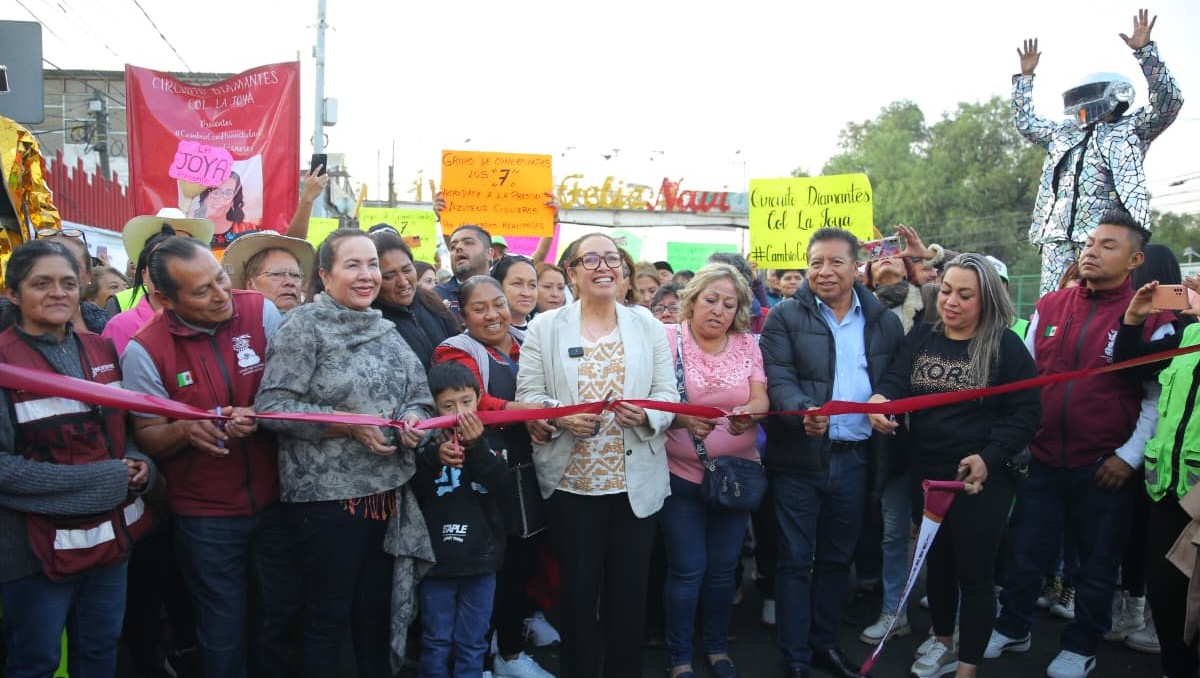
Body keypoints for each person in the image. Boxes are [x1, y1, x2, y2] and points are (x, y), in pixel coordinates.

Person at [986, 209, 1173, 678]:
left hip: (1105, 465)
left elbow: (1155, 398)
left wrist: (1128, 457)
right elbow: (1027, 381)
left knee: (1096, 565)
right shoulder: (1050, 306)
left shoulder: (1152, 318)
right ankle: (1013, 627)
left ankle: (1081, 645)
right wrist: (1024, 441)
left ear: (1135, 260)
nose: (1092, 251)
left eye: (1108, 245)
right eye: (1090, 242)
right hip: (1043, 458)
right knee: (1026, 553)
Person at [254, 229, 434, 677]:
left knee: (375, 613)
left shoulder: (384, 328)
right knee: (328, 616)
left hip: (387, 495)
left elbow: (420, 397)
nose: (367, 275)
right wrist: (348, 425)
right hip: (326, 504)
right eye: (352, 265)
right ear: (325, 275)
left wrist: (414, 421)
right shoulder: (304, 326)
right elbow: (273, 408)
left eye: (372, 264)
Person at [120, 236, 297, 678]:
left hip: (275, 501)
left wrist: (259, 412)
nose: (221, 296)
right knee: (221, 627)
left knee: (277, 616)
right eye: (202, 291)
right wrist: (183, 429)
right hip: (206, 516)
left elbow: (291, 393)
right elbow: (147, 434)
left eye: (220, 279)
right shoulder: (144, 350)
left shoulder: (260, 312)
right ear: (164, 298)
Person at [869, 253, 1042, 678]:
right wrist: (880, 400)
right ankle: (943, 641)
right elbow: (896, 378)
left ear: (987, 301)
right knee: (939, 563)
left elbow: (1025, 414)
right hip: (926, 475)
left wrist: (989, 457)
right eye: (946, 291)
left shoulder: (1005, 346)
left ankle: (969, 665)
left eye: (965, 295)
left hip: (978, 480)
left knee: (975, 574)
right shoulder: (922, 336)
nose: (951, 302)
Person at [515, 232, 678, 678]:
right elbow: (529, 396)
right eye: (591, 259)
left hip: (635, 485)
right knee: (577, 598)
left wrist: (646, 414)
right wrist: (562, 416)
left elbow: (668, 394)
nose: (603, 266)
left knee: (628, 598)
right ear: (571, 272)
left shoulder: (647, 325)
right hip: (572, 484)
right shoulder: (546, 327)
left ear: (624, 272)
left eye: (612, 258)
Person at [0, 240, 156, 678]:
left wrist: (140, 462)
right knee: (37, 661)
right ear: (13, 294)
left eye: (68, 283)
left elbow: (123, 430)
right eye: (41, 284)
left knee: (100, 652)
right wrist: (105, 479)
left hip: (108, 540)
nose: (58, 293)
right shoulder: (4, 360)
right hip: (32, 551)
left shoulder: (101, 349)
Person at [759, 228, 905, 678]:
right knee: (795, 560)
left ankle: (824, 644)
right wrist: (802, 410)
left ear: (856, 267)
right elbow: (778, 378)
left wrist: (883, 398)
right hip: (799, 458)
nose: (824, 271)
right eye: (816, 262)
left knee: (838, 560)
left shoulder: (883, 320)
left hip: (856, 457)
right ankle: (794, 656)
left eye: (835, 262)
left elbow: (896, 375)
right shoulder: (783, 316)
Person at [432, 276, 557, 678]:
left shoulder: (527, 343)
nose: (492, 314)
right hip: (484, 473)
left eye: (498, 303)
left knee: (522, 563)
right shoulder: (455, 351)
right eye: (479, 308)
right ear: (463, 315)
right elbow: (476, 401)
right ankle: (482, 659)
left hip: (530, 468)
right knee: (488, 570)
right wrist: (531, 411)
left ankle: (510, 651)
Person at [1014, 9, 1183, 295]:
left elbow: (1169, 102)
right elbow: (1026, 123)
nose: (1080, 103)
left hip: (1104, 236)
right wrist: (1025, 78)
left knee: (1100, 299)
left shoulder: (1130, 129)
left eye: (1086, 95)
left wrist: (1146, 53)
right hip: (1057, 236)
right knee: (1053, 301)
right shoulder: (1064, 132)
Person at [661, 263, 769, 678]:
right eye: (711, 300)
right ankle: (679, 657)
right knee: (688, 571)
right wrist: (681, 419)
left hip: (736, 478)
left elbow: (761, 398)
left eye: (729, 304)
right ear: (691, 300)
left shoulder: (747, 344)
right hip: (682, 477)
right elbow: (649, 401)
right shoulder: (667, 339)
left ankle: (717, 648)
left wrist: (749, 414)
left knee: (724, 571)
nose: (719, 310)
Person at [1113, 273, 1200, 678]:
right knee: (1166, 598)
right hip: (1168, 493)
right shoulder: (1189, 336)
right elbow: (1130, 369)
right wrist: (1133, 320)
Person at [414, 361, 509, 678]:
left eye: (466, 402)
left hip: (481, 560)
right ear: (434, 407)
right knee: (435, 639)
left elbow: (501, 484)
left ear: (479, 397)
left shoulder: (492, 439)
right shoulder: (425, 442)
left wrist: (477, 446)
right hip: (437, 561)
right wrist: (433, 457)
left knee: (473, 641)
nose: (459, 413)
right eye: (448, 406)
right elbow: (415, 488)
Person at [371, 231, 460, 373]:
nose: (402, 281)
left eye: (407, 270)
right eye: (389, 276)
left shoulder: (431, 303)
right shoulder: (372, 324)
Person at [108, 208, 215, 315]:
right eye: (165, 246)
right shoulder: (120, 303)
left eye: (184, 246)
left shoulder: (213, 302)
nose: (175, 254)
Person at [220, 231, 315, 313]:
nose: (290, 282)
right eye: (277, 274)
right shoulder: (236, 326)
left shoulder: (316, 321)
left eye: (295, 275)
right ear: (250, 285)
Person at [438, 224, 494, 314]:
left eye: (468, 242)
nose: (458, 247)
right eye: (453, 246)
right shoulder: (435, 298)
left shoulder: (507, 291)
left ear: (489, 253)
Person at [494, 255, 539, 334]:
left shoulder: (544, 332)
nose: (526, 293)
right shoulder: (485, 335)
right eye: (517, 283)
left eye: (532, 285)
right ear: (498, 286)